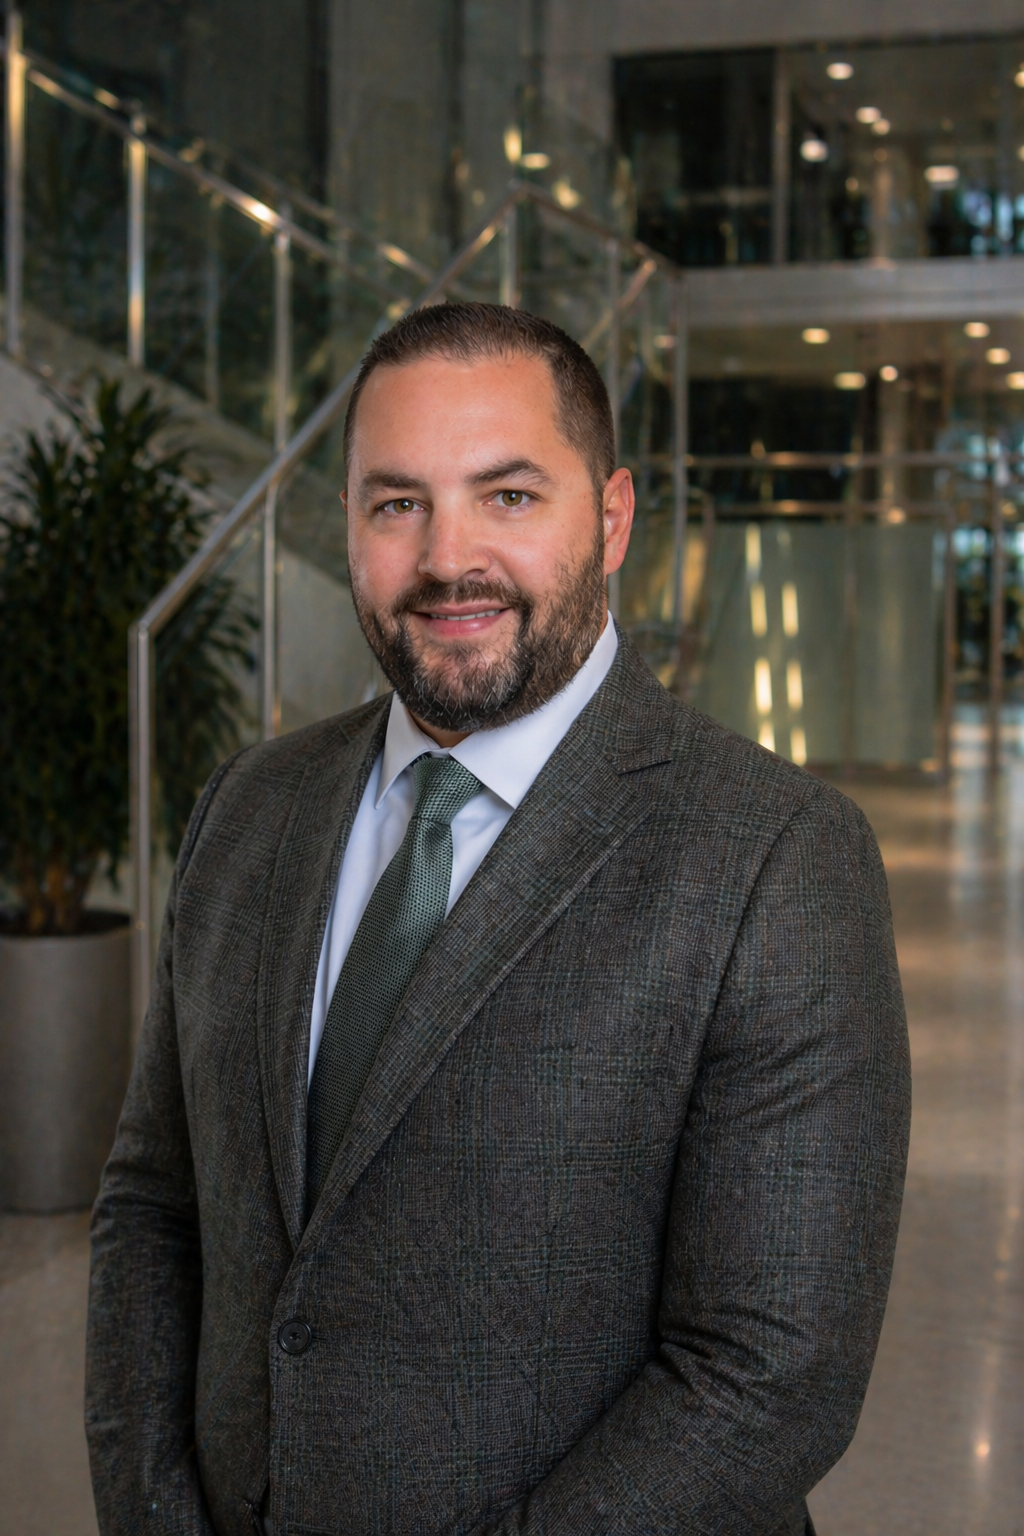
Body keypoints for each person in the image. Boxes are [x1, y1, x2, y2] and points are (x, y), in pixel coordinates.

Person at [86, 302, 910, 1536]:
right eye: (396, 502)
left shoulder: (777, 857)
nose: (445, 559)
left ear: (614, 517)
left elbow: (768, 1375)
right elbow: (155, 1207)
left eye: (509, 496)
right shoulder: (248, 811)